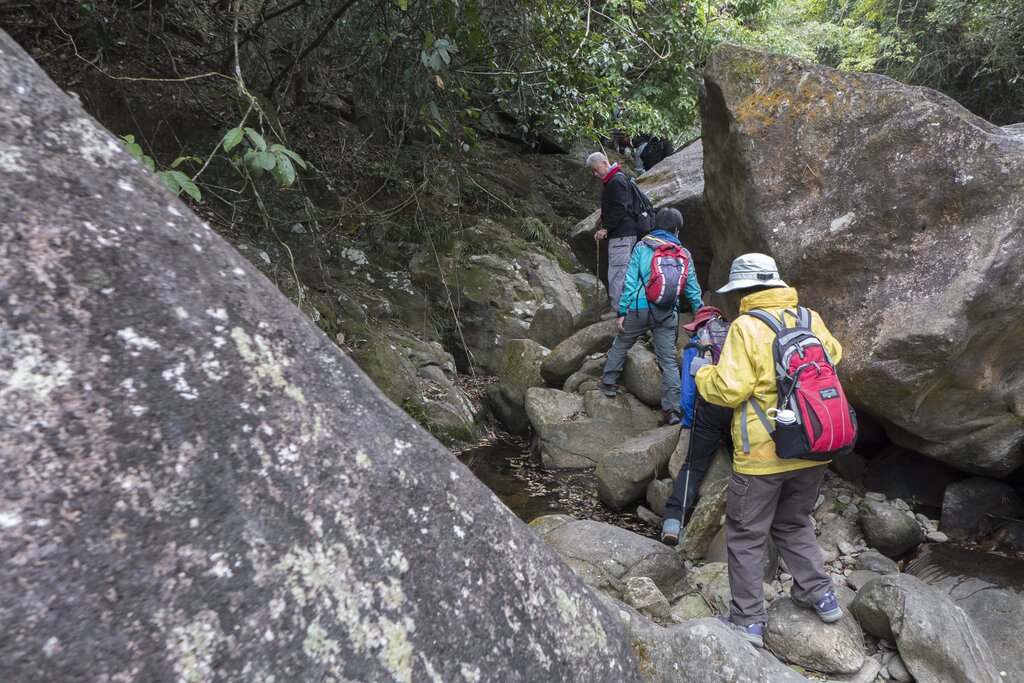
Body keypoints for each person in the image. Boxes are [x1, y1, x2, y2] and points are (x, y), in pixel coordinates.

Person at [692, 253, 844, 648]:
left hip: (763, 453)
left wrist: (701, 372)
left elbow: (728, 390)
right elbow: (834, 356)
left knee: (746, 534)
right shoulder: (809, 318)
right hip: (813, 444)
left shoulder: (745, 327)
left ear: (742, 291)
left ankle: (747, 621)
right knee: (793, 522)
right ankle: (821, 595)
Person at [595, 208, 702, 426]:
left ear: (655, 225)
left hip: (639, 308)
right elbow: (692, 287)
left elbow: (630, 280)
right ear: (676, 229)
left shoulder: (642, 246)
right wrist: (700, 313)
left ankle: (609, 382)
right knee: (668, 361)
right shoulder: (683, 252)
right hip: (668, 312)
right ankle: (670, 410)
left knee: (622, 342)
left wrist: (622, 311)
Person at [660, 306, 733, 546]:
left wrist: (690, 423)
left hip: (710, 408)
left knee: (694, 464)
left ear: (699, 326)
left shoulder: (696, 344)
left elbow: (689, 391)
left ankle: (673, 522)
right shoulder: (737, 335)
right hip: (740, 407)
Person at [587, 152, 638, 313]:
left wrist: (606, 228)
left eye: (596, 170)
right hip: (627, 233)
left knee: (617, 273)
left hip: (621, 236)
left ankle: (618, 310)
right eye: (593, 172)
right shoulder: (617, 178)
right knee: (625, 272)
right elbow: (620, 204)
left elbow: (620, 208)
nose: (595, 174)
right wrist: (603, 216)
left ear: (604, 163)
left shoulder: (615, 180)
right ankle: (626, 308)